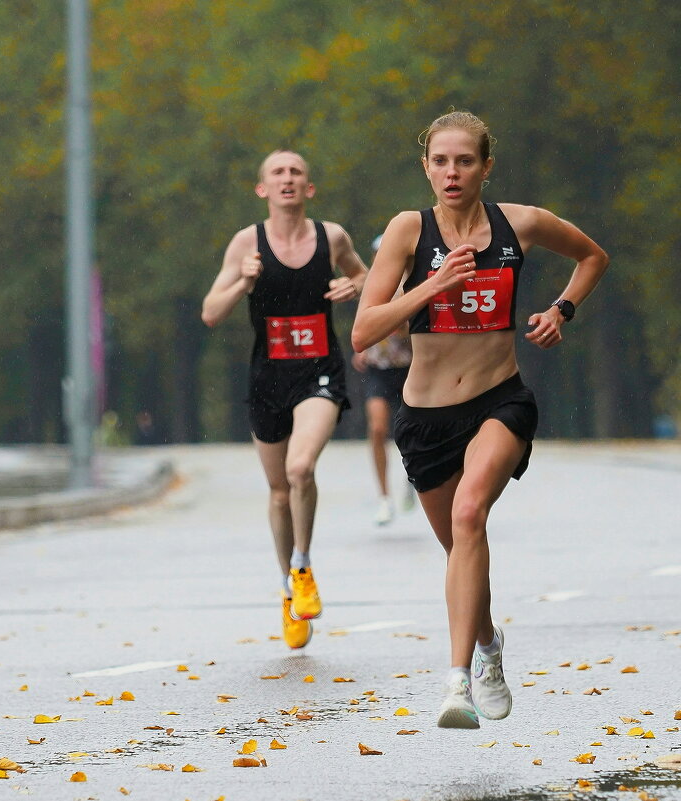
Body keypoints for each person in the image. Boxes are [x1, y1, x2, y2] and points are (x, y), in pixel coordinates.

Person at [352, 111, 609, 728]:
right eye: (440, 161)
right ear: (426, 168)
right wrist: (430, 287)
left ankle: (457, 683)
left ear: (486, 168)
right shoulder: (407, 232)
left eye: (464, 161)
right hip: (425, 418)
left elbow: (592, 256)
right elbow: (364, 329)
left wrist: (561, 310)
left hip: (500, 400)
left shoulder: (520, 224)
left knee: (471, 515)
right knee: (460, 548)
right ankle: (490, 643)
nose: (452, 172)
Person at [201, 149, 368, 650]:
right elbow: (211, 311)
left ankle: (303, 565)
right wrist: (242, 280)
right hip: (267, 378)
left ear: (309, 188)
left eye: (297, 172)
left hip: (319, 372)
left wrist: (351, 286)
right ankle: (287, 586)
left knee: (300, 469)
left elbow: (371, 277)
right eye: (278, 172)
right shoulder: (245, 243)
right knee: (278, 492)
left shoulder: (331, 237)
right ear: (263, 189)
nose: (288, 179)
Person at [352, 323, 413, 525]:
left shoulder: (412, 290)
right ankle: (385, 498)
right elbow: (364, 314)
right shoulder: (372, 290)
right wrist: (360, 346)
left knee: (412, 430)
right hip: (377, 368)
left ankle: (414, 479)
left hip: (410, 366)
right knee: (377, 429)